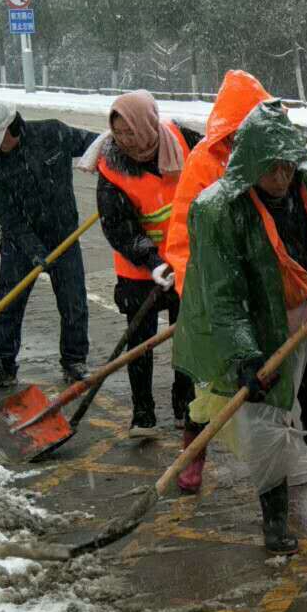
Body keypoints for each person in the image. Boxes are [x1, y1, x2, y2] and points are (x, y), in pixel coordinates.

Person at [175, 101, 307, 553]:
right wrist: (244, 355)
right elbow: (223, 296)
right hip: (260, 328)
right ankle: (275, 518)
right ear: (250, 164)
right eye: (272, 169)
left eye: (288, 166)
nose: (283, 177)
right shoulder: (220, 210)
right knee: (268, 423)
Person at [154, 69, 275, 492]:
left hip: (270, 289)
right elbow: (184, 237)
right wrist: (204, 298)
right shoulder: (205, 162)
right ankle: (194, 454)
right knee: (208, 386)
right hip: (216, 289)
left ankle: (288, 469)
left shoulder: (280, 150)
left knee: (277, 385)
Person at [94, 90, 203, 438]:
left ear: (147, 124)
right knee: (140, 342)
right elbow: (117, 226)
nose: (124, 140)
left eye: (130, 131)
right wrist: (152, 261)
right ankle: (143, 413)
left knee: (186, 338)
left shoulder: (183, 141)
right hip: (138, 267)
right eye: (118, 133)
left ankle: (185, 403)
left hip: (185, 261)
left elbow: (216, 161)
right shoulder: (112, 167)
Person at [0, 101, 95, 394]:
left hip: (63, 236)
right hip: (19, 240)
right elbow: (8, 216)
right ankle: (2, 364)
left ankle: (74, 360)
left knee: (73, 301)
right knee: (8, 302)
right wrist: (34, 249)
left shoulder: (52, 133)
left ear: (12, 127)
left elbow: (96, 145)